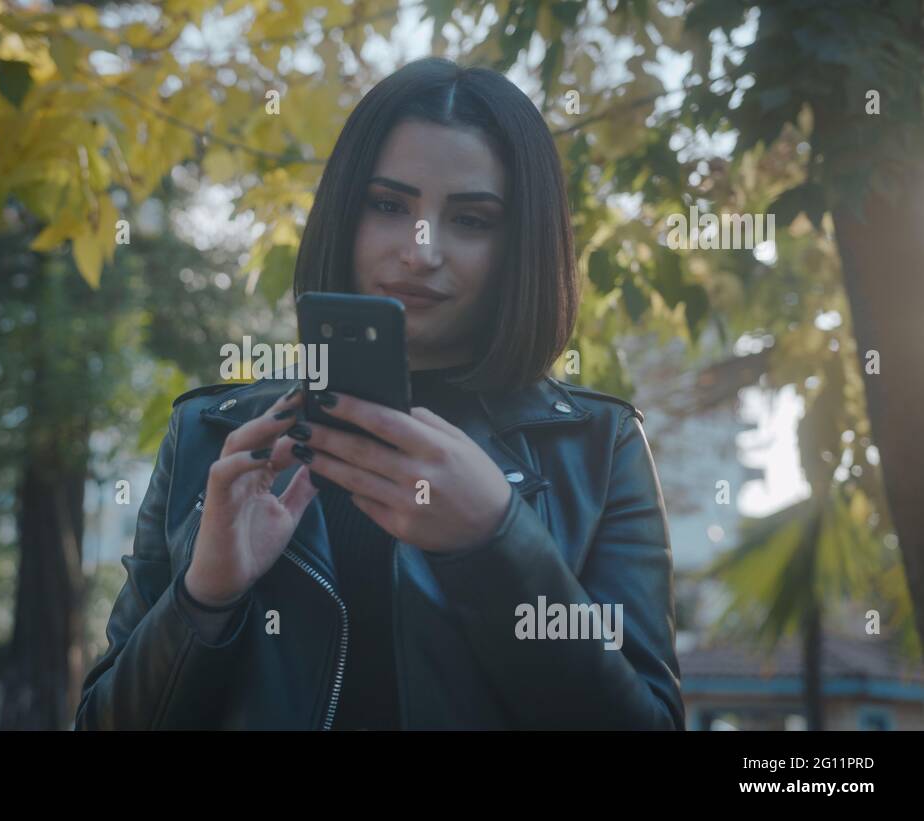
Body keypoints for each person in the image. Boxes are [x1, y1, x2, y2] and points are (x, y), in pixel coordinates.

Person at [75, 57, 684, 730]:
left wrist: (497, 544)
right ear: (345, 210)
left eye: (472, 219)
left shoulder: (598, 446)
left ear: (521, 243)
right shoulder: (208, 435)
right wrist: (204, 597)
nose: (421, 251)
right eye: (390, 205)